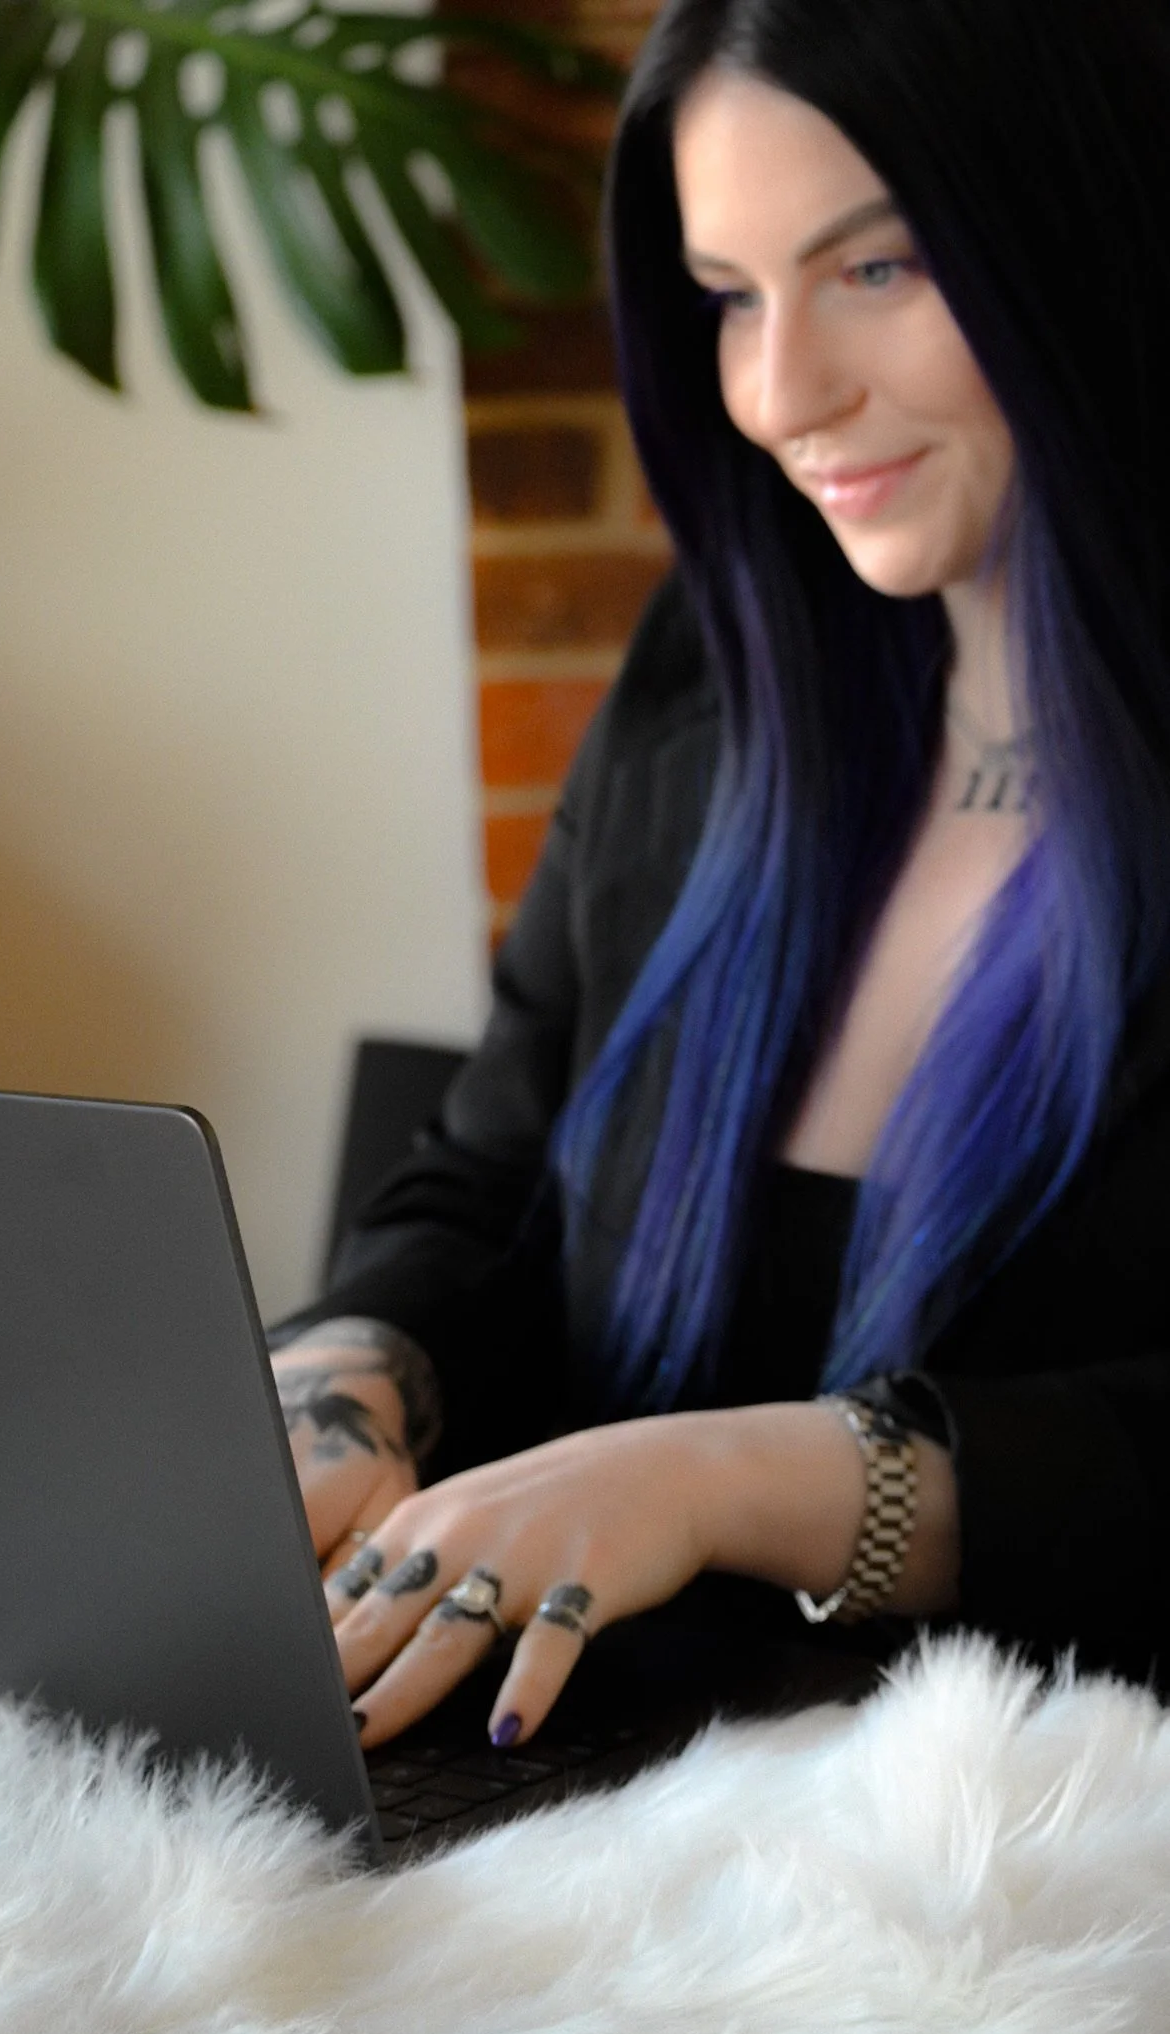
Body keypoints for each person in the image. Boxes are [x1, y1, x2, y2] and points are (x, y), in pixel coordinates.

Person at [270, 0, 1170, 1752]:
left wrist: (746, 1479)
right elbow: (486, 1186)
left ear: (1086, 228)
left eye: (880, 271)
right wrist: (347, 1378)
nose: (778, 393)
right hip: (612, 1839)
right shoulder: (713, 679)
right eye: (733, 296)